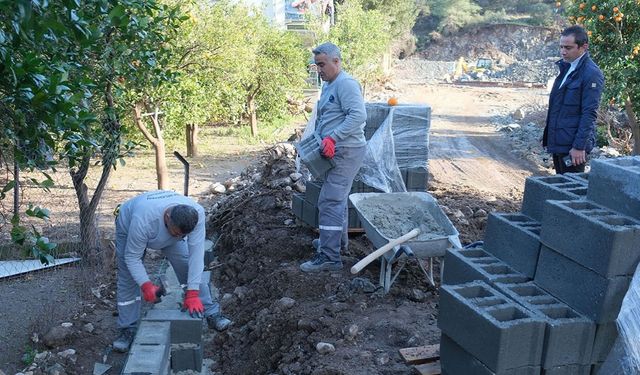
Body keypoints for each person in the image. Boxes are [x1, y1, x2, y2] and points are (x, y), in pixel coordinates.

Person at [112, 190, 231, 352]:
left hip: (164, 226)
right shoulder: (143, 221)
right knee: (128, 277)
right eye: (176, 233)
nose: (178, 237)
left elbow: (196, 256)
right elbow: (132, 258)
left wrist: (193, 293)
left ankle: (210, 312)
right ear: (167, 218)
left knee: (186, 264)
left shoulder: (197, 214)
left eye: (182, 235)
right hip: (129, 225)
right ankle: (127, 328)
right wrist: (146, 285)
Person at [300, 42, 367, 273]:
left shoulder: (346, 84)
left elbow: (359, 115)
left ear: (336, 61)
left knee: (330, 201)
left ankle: (329, 257)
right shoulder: (330, 84)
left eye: (322, 64)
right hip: (335, 150)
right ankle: (337, 243)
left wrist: (333, 138)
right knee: (336, 198)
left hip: (346, 150)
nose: (319, 70)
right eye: (316, 65)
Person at [543, 25, 604, 174]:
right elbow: (558, 107)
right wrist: (548, 137)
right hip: (559, 143)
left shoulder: (591, 74)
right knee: (560, 189)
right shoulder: (566, 67)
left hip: (573, 148)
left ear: (584, 47)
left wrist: (579, 146)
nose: (563, 51)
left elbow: (589, 113)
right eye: (561, 47)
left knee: (570, 192)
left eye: (568, 48)